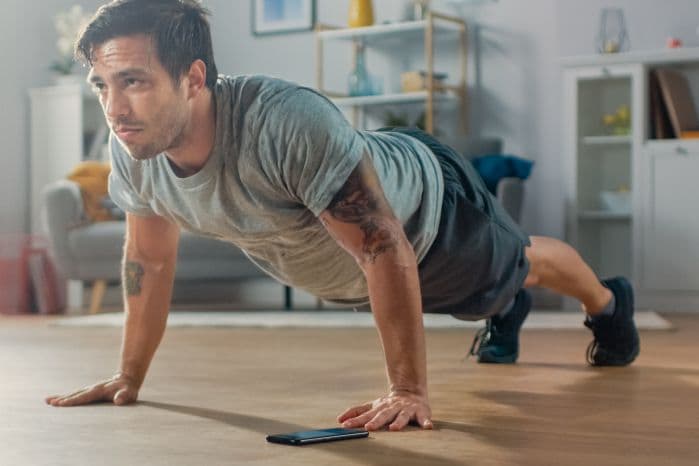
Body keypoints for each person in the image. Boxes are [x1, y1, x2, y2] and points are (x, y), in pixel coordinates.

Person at [45, 0, 640, 432]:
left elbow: (384, 246)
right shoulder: (134, 148)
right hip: (364, 266)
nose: (114, 108)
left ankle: (610, 305)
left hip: (430, 216)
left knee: (519, 265)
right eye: (101, 84)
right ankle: (505, 307)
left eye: (133, 82)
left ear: (194, 77)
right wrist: (129, 377)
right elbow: (148, 259)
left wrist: (407, 390)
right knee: (492, 295)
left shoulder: (283, 122)